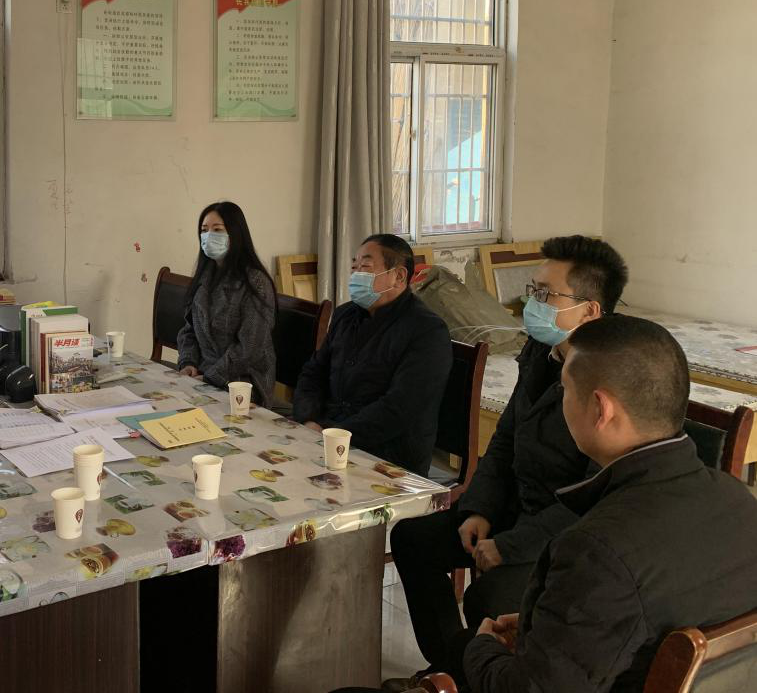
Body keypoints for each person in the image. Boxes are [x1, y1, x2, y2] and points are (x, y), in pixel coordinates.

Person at [463, 315, 757, 692]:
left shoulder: (596, 552)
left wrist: (482, 648)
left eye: (565, 390)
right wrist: (548, 622)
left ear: (600, 409)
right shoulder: (739, 500)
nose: (562, 401)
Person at [384, 235, 626, 690]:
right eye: (532, 291)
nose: (532, 305)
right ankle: (454, 668)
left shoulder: (613, 381)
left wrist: (510, 546)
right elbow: (506, 439)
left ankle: (476, 673)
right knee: (413, 539)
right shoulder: (540, 351)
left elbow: (592, 499)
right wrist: (480, 508)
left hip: (566, 535)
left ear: (590, 311)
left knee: (489, 597)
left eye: (546, 295)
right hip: (515, 506)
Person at [291, 234, 451, 475]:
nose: (356, 275)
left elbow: (400, 408)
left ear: (399, 276)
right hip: (328, 436)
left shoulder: (427, 331)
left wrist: (335, 435)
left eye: (365, 267)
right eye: (354, 267)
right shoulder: (346, 315)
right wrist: (308, 420)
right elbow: (313, 373)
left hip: (387, 456)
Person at [176, 201, 278, 407]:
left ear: (235, 233)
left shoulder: (255, 282)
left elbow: (249, 348)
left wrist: (210, 377)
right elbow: (189, 329)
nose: (208, 236)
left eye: (217, 230)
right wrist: (188, 362)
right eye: (204, 230)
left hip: (243, 383)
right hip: (204, 374)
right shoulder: (205, 276)